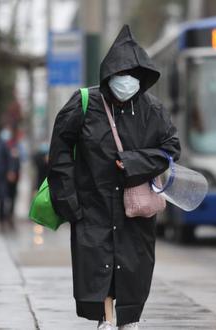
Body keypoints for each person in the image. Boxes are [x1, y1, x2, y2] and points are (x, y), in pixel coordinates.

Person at [48, 25, 180, 330]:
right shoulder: (84, 104)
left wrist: (132, 162)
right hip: (92, 205)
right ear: (108, 74)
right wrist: (69, 201)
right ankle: (105, 321)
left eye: (133, 73)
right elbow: (60, 152)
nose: (126, 80)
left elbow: (171, 148)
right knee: (97, 265)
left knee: (134, 267)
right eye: (121, 73)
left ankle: (128, 320)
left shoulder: (153, 110)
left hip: (135, 210)